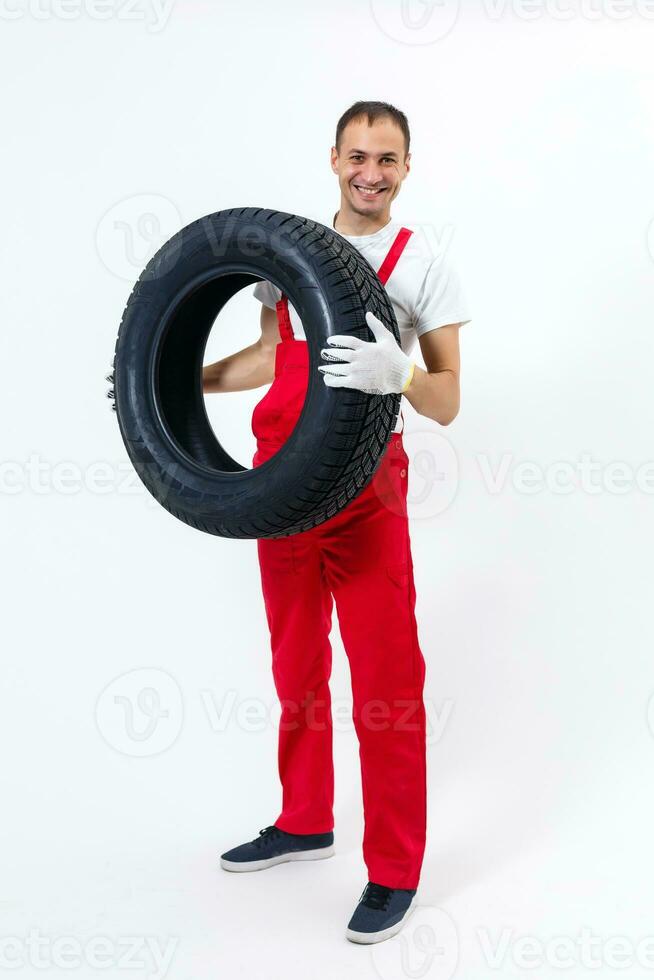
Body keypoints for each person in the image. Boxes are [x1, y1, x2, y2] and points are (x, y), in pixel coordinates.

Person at [202, 100, 471, 945]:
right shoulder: (282, 254)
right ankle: (304, 819)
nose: (370, 172)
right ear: (332, 159)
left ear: (405, 167)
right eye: (357, 155)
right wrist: (182, 382)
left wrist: (400, 374)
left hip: (364, 493)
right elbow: (268, 356)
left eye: (386, 159)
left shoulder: (420, 263)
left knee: (386, 684)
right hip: (279, 485)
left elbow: (450, 400)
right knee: (295, 666)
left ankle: (393, 871)